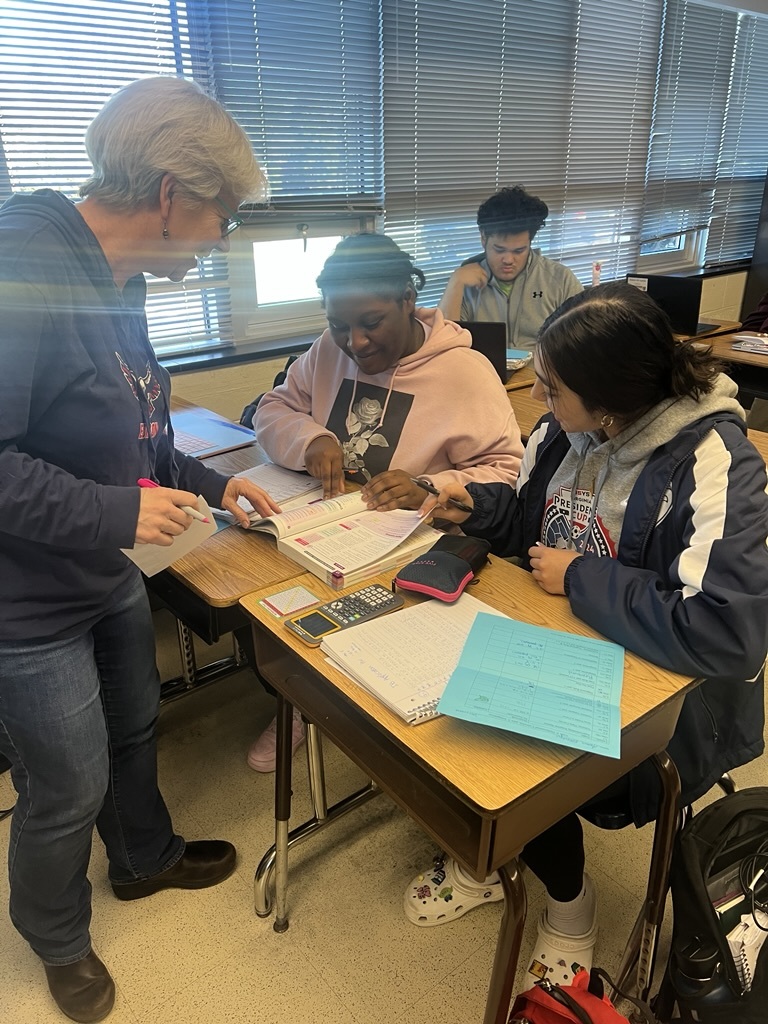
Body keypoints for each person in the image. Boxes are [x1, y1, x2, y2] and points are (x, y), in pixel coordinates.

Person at [0, 76, 282, 1023]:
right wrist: (118, 513)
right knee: (62, 784)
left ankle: (144, 860)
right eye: (223, 216)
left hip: (104, 572)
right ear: (171, 192)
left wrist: (209, 483)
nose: (221, 239)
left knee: (133, 727)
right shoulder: (25, 266)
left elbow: (138, 430)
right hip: (25, 600)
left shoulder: (114, 280)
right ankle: (56, 937)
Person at [404, 282, 768, 985]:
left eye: (552, 389)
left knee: (509, 753)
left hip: (665, 690)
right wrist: (472, 505)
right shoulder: (569, 432)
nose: (539, 401)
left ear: (609, 398)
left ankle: (570, 906)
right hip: (562, 638)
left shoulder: (716, 460)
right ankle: (493, 854)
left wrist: (578, 579)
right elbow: (532, 528)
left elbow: (727, 633)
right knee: (439, 718)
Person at [248, 232, 524, 771]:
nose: (354, 342)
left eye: (371, 322)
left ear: (407, 299)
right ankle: (300, 700)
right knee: (269, 596)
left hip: (417, 544)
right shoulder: (329, 350)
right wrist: (313, 439)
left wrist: (430, 487)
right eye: (338, 325)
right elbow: (273, 407)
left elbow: (506, 475)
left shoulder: (465, 372)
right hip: (330, 524)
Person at [438, 185, 583, 351]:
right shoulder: (465, 282)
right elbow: (443, 346)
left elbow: (581, 343)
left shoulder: (560, 279)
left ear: (530, 242)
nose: (508, 260)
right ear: (483, 239)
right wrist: (456, 282)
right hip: (483, 372)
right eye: (499, 250)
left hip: (541, 374)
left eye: (519, 251)